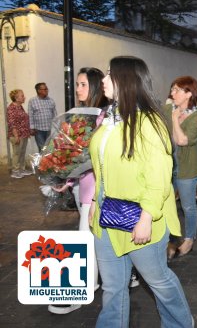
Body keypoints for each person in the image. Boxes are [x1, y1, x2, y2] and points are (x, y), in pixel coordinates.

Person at [89, 56, 193, 327]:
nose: (103, 79)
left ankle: (181, 324)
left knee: (158, 280)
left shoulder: (149, 122)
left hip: (141, 214)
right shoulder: (110, 119)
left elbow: (159, 176)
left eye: (109, 74)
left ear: (126, 80)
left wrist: (146, 217)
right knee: (112, 286)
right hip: (107, 213)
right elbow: (101, 165)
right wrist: (93, 200)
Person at [47, 67, 109, 315]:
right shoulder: (78, 116)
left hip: (97, 189)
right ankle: (126, 274)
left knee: (86, 238)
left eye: (83, 84)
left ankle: (81, 291)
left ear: (94, 86)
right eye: (77, 84)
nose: (78, 89)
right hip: (82, 187)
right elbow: (75, 156)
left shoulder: (103, 117)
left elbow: (98, 157)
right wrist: (66, 180)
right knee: (94, 237)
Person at [164, 76, 197, 259]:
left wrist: (174, 119)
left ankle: (189, 239)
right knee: (166, 205)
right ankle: (169, 240)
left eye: (176, 90)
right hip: (167, 167)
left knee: (188, 207)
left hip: (187, 168)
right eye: (172, 89)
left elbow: (181, 140)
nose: (172, 93)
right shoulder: (166, 109)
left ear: (188, 94)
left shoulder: (196, 117)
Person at [7, 89, 33, 179]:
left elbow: (23, 120)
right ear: (16, 98)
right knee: (16, 153)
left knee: (22, 152)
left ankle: (21, 169)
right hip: (16, 135)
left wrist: (27, 132)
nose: (24, 97)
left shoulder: (20, 106)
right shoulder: (11, 108)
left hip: (23, 134)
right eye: (22, 96)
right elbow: (12, 123)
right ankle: (15, 171)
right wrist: (16, 136)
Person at [28, 82, 57, 151]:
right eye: (45, 89)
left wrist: (56, 126)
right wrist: (32, 128)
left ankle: (48, 162)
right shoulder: (32, 101)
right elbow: (30, 115)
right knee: (42, 149)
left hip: (49, 129)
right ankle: (42, 161)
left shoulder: (51, 100)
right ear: (39, 90)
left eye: (47, 89)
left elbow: (55, 114)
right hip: (38, 130)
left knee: (50, 149)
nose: (47, 90)